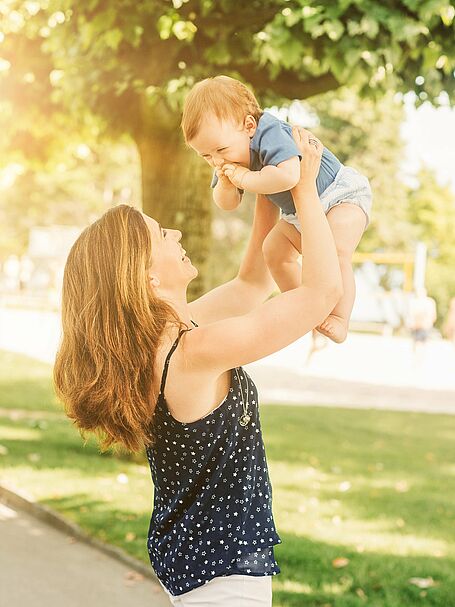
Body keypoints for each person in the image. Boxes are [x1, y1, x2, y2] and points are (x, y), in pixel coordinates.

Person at [53, 128, 342, 606]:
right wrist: (305, 188)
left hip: (195, 566)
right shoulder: (192, 353)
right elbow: (321, 295)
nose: (178, 234)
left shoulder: (164, 341)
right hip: (224, 585)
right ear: (146, 274)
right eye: (163, 234)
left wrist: (260, 182)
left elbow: (251, 284)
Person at [181, 75, 372, 345]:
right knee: (273, 250)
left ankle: (340, 318)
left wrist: (246, 179)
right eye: (206, 156)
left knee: (336, 251)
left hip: (339, 196)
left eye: (220, 150)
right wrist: (226, 182)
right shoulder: (227, 155)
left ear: (249, 126)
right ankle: (307, 310)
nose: (216, 160)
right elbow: (227, 203)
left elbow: (289, 176)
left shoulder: (270, 131)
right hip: (299, 214)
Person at [407, 287, 437, 353]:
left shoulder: (428, 302)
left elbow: (433, 316)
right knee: (419, 344)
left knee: (420, 344)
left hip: (423, 326)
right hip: (418, 326)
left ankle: (419, 359)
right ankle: (419, 358)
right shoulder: (415, 302)